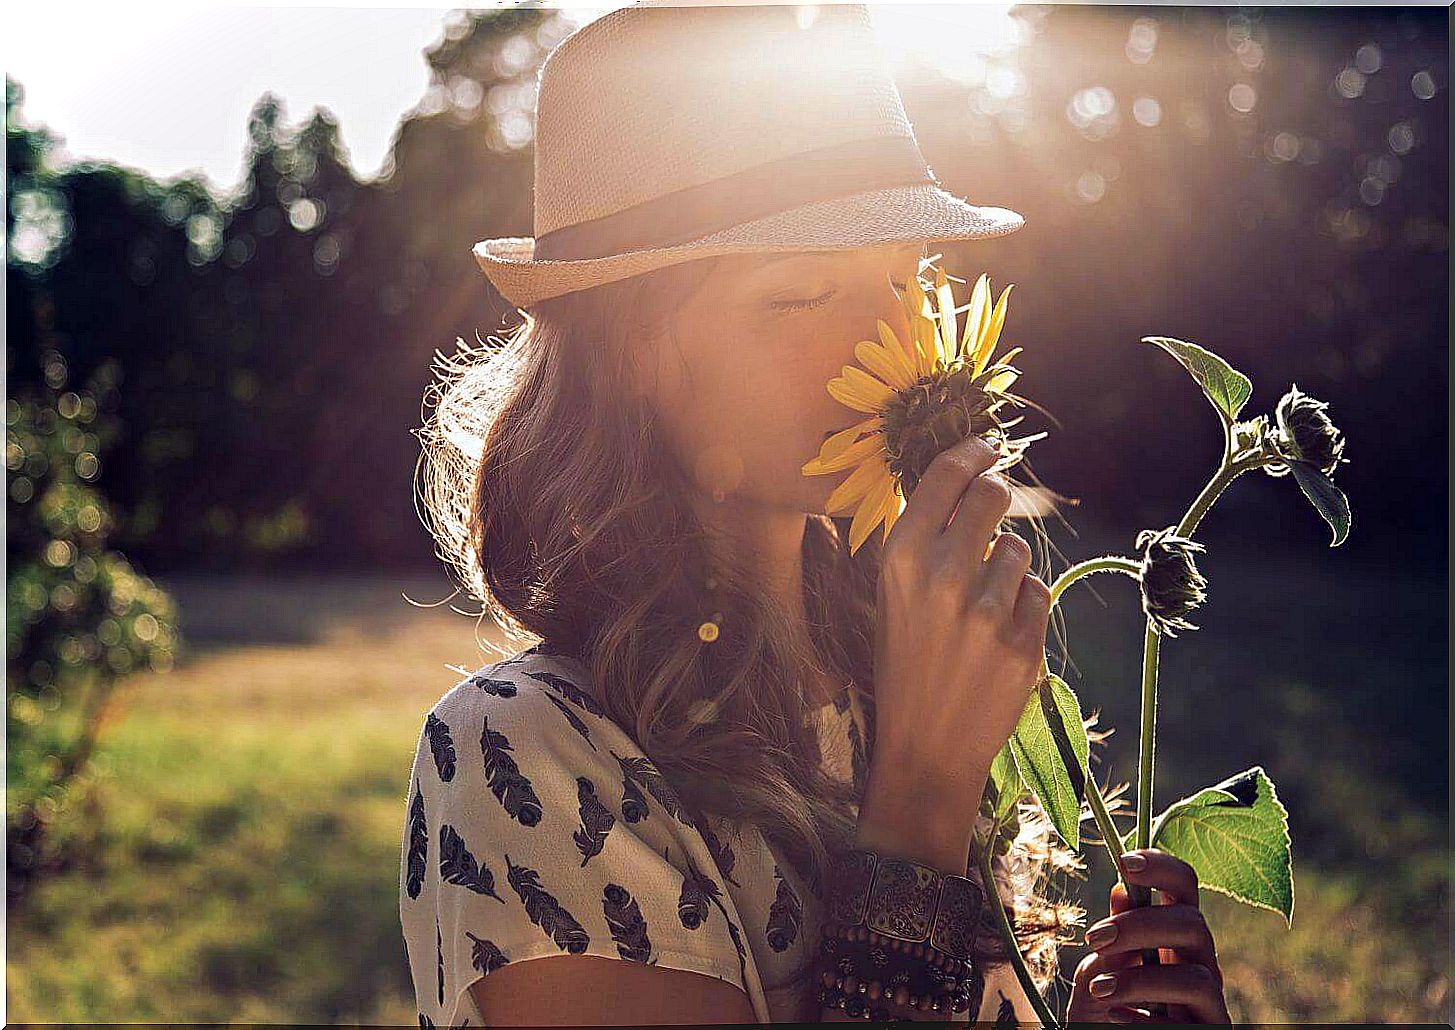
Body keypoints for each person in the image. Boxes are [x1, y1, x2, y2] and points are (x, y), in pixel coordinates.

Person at [399, 2, 1232, 1025]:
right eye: (802, 295)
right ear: (633, 353)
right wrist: (922, 794)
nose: (893, 340)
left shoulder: (879, 684)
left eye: (905, 279)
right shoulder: (523, 755)